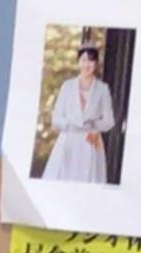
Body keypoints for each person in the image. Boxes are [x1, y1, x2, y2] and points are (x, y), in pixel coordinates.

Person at [38, 44, 115, 184]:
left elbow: (109, 121)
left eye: (91, 60)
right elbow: (57, 118)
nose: (87, 65)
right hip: (68, 141)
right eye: (83, 60)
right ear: (78, 62)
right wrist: (71, 124)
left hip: (91, 141)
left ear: (96, 63)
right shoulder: (67, 86)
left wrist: (93, 124)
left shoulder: (102, 89)